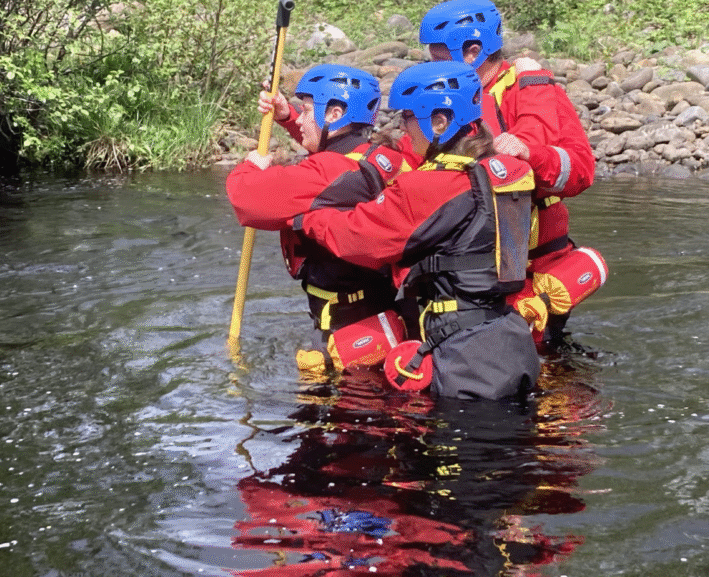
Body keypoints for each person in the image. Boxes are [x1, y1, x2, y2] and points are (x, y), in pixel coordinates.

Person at [289, 61, 541, 400]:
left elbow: (361, 237)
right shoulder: (508, 170)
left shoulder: (431, 186)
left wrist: (306, 218)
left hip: (466, 356)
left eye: (409, 117)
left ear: (439, 120)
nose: (405, 130)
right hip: (510, 336)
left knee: (463, 446)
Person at [416, 0, 601, 348]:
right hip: (468, 271)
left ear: (472, 51)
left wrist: (532, 155)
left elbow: (580, 171)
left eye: (439, 59)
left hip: (530, 270)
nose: (432, 69)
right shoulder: (443, 97)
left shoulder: (528, 89)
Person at [226, 64, 409, 373]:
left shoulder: (330, 173)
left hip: (343, 321)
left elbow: (247, 200)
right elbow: (328, 146)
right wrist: (288, 117)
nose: (304, 117)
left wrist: (251, 166)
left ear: (335, 115)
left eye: (308, 111)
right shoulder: (380, 154)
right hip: (376, 307)